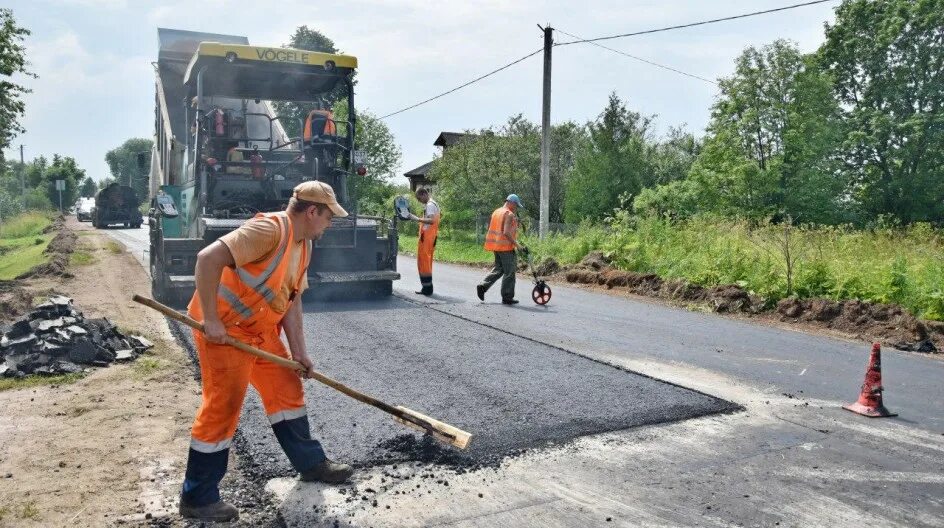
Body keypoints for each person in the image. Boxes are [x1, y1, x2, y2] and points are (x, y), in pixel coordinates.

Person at [179, 181, 353, 522]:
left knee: (287, 388)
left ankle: (310, 463)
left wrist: (299, 353)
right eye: (329, 218)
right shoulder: (269, 229)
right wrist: (212, 320)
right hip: (225, 333)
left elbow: (291, 300)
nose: (330, 225)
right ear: (313, 211)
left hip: (258, 333)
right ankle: (197, 497)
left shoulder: (303, 245)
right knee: (224, 405)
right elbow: (207, 259)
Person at [476, 194, 527, 305]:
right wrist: (517, 245)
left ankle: (483, 286)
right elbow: (506, 232)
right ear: (511, 202)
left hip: (496, 246)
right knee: (509, 272)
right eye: (516, 205)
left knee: (499, 269)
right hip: (506, 247)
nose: (516, 207)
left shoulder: (497, 212)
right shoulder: (509, 214)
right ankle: (507, 297)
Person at [409, 188, 441, 296]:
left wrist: (416, 218)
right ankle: (427, 287)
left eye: (419, 198)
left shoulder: (430, 205)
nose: (419, 201)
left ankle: (427, 289)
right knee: (426, 262)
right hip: (430, 237)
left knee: (424, 263)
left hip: (427, 238)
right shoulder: (434, 204)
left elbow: (431, 220)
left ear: (424, 194)